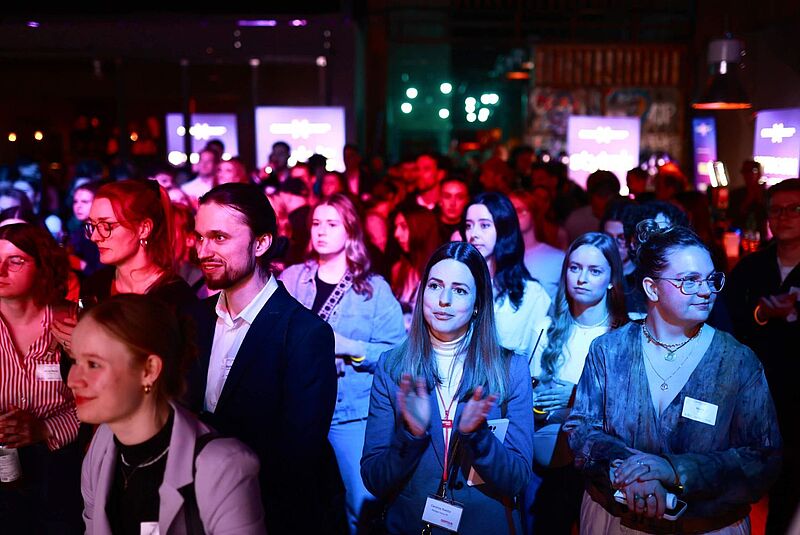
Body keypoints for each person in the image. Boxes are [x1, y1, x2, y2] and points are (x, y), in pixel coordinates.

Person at [564, 221, 782, 534]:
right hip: (614, 520)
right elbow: (581, 429)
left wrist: (675, 470)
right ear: (652, 288)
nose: (706, 291)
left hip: (706, 526)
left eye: (711, 279)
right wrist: (629, 471)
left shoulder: (736, 361)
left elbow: (763, 456)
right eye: (689, 281)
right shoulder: (609, 351)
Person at [185, 183, 339, 535]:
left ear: (261, 243)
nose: (203, 251)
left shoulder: (303, 333)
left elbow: (298, 456)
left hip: (270, 516)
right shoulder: (194, 319)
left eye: (219, 238)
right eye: (199, 237)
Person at [361, 241, 534, 534]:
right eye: (435, 286)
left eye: (460, 290)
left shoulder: (510, 369)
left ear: (478, 303)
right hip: (413, 523)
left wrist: (478, 437)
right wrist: (410, 436)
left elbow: (516, 480)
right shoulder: (392, 367)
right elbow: (374, 479)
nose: (444, 300)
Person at [69, 294, 266, 534]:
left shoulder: (222, 467)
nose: (73, 380)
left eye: (93, 364)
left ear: (149, 370)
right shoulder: (102, 446)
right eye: (74, 361)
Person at [280, 193, 405, 535]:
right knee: (301, 504)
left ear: (350, 231)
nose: (321, 231)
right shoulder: (292, 279)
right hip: (298, 409)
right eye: (316, 223)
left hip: (350, 413)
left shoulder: (373, 289)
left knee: (361, 506)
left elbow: (398, 355)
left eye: (332, 224)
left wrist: (350, 347)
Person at [528, 232, 628, 534]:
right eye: (574, 268)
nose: (582, 278)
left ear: (611, 279)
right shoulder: (545, 327)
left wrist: (574, 399)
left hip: (596, 474)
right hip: (541, 468)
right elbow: (529, 395)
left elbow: (628, 410)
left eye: (594, 271)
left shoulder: (623, 335)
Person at [724, 178, 800, 534]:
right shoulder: (752, 267)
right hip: (755, 393)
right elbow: (730, 322)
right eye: (776, 210)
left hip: (797, 399)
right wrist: (762, 314)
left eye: (794, 209)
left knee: (789, 490)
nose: (783, 217)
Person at [0, 223, 83, 533]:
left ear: (43, 265)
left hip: (61, 471)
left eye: (15, 261)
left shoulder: (73, 322)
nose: (1, 270)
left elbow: (106, 405)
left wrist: (45, 428)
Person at [464, 191, 551, 359]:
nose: (473, 234)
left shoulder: (532, 293)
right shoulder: (460, 284)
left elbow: (534, 359)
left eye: (484, 225)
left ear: (504, 229)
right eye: (468, 226)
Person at [389, 205, 441, 330]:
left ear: (420, 229)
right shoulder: (398, 269)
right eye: (396, 227)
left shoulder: (439, 274)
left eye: (403, 227)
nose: (396, 234)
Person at [510, 189, 565, 301]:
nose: (513, 216)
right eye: (509, 212)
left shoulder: (558, 258)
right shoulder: (499, 257)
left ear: (533, 213)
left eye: (519, 210)